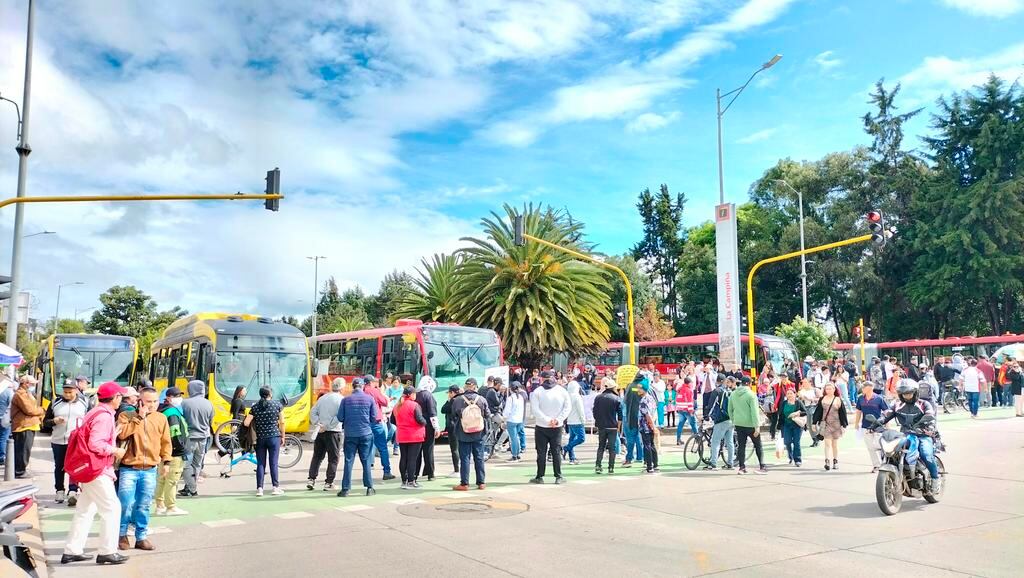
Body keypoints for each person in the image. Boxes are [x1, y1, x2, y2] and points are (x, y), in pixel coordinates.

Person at [60, 382, 130, 566]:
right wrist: (115, 450)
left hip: (88, 468)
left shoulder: (95, 412)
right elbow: (95, 444)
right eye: (120, 396)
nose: (121, 399)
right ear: (115, 398)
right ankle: (107, 552)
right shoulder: (105, 417)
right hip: (97, 469)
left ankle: (72, 550)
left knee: (86, 510)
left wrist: (115, 432)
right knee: (112, 508)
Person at [116, 387, 171, 551]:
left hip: (150, 469)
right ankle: (121, 535)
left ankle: (141, 537)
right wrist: (139, 417)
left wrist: (166, 462)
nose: (152, 405)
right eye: (148, 401)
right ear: (140, 401)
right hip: (129, 468)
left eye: (155, 401)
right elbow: (122, 434)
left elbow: (166, 442)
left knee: (144, 505)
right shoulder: (126, 416)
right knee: (125, 504)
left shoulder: (161, 418)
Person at [881, 380, 942, 493]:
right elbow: (886, 415)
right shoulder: (897, 404)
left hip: (923, 434)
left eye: (909, 393)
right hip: (905, 434)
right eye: (904, 394)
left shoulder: (924, 404)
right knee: (892, 452)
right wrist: (877, 422)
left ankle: (935, 479)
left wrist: (927, 426)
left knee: (926, 454)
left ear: (915, 392)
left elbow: (930, 415)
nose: (907, 396)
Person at [44, 380, 90, 505]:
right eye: (65, 392)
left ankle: (73, 491)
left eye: (70, 392)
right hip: (58, 440)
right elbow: (45, 422)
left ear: (76, 390)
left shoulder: (85, 403)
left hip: (76, 441)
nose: (67, 394)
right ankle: (59, 490)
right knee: (59, 466)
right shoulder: (55, 403)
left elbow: (89, 421)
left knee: (75, 466)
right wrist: (54, 421)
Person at [336, 378, 378, 497]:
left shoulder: (346, 400)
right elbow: (374, 417)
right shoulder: (369, 399)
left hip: (350, 434)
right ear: (362, 386)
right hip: (365, 433)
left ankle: (345, 489)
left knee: (349, 461)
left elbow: (340, 417)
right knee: (366, 461)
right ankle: (369, 488)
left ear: (352, 386)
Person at [529, 371, 570, 484]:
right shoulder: (562, 391)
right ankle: (558, 476)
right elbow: (567, 408)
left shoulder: (537, 391)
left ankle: (539, 476)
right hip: (557, 427)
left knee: (541, 452)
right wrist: (557, 420)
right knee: (556, 451)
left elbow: (535, 410)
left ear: (542, 379)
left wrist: (547, 420)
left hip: (541, 426)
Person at [154, 387, 189, 516]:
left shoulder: (162, 410)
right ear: (168, 397)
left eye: (180, 395)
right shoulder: (172, 413)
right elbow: (175, 434)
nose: (179, 398)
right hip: (174, 453)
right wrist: (180, 448)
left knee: (162, 479)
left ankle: (160, 505)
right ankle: (171, 507)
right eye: (176, 396)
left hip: (163, 451)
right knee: (172, 480)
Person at [452, 378, 490, 490]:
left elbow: (454, 415)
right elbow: (487, 414)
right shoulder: (482, 399)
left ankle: (464, 484)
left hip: (463, 432)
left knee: (465, 458)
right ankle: (481, 482)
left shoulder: (458, 400)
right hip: (479, 432)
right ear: (475, 387)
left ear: (465, 386)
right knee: (479, 457)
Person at [307, 378, 344, 491]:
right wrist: (327, 426)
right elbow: (339, 417)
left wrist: (319, 424)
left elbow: (312, 412)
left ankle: (311, 479)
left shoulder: (323, 398)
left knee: (317, 456)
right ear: (341, 388)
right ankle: (328, 482)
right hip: (334, 432)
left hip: (320, 431)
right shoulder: (341, 400)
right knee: (333, 458)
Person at [180, 380, 213, 498]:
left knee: (186, 464)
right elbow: (210, 421)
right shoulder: (209, 403)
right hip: (204, 437)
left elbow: (181, 420)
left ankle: (192, 488)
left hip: (189, 437)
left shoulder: (185, 403)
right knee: (197, 464)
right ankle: (189, 487)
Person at [249, 386, 285, 497]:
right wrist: (283, 436)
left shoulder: (255, 407)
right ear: (270, 394)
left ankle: (259, 489)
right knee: (273, 462)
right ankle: (275, 487)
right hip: (274, 437)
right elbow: (282, 422)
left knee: (261, 463)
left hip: (260, 438)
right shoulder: (277, 405)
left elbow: (246, 423)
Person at [728, 375, 766, 475]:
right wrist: (757, 426)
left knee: (741, 446)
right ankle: (762, 465)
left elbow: (730, 409)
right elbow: (754, 412)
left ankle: (742, 467)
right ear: (749, 383)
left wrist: (734, 420)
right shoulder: (751, 395)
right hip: (750, 424)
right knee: (758, 445)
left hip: (739, 423)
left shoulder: (733, 394)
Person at [11, 374, 45, 478]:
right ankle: (20, 471)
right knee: (23, 450)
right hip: (24, 425)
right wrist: (42, 410)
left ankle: (21, 469)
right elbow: (30, 410)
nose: (33, 386)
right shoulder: (21, 394)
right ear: (26, 384)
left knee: (25, 449)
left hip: (27, 425)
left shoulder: (25, 393)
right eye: (32, 384)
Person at [363, 375, 395, 481]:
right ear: (371, 382)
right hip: (376, 422)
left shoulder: (362, 391)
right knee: (382, 448)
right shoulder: (374, 391)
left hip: (365, 424)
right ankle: (386, 471)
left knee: (367, 448)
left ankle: (367, 473)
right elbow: (385, 402)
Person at [395, 385, 426, 489]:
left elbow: (392, 420)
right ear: (411, 394)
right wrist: (425, 422)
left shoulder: (398, 405)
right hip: (414, 435)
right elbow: (420, 420)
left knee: (403, 458)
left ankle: (404, 481)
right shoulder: (414, 405)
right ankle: (411, 481)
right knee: (412, 459)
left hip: (402, 435)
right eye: (414, 393)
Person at [812, 381, 848, 471]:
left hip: (836, 424)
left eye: (830, 388)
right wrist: (814, 422)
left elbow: (843, 413)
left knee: (834, 444)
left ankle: (835, 461)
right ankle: (827, 461)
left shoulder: (838, 399)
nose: (828, 390)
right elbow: (818, 412)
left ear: (834, 389)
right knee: (827, 443)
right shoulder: (822, 399)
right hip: (826, 423)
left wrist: (844, 425)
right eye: (827, 389)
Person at [854, 382, 889, 472]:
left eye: (864, 387)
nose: (862, 389)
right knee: (870, 447)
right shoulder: (861, 398)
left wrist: (887, 426)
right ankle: (876, 465)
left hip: (878, 426)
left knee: (878, 445)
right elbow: (858, 411)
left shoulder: (879, 398)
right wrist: (856, 423)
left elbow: (886, 412)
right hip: (866, 426)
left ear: (870, 388)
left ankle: (884, 462)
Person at [592, 379, 621, 474]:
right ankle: (611, 467)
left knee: (601, 446)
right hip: (612, 426)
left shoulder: (598, 397)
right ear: (613, 388)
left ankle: (598, 465)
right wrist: (619, 427)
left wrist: (598, 421)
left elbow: (594, 412)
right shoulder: (616, 398)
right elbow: (620, 416)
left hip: (601, 426)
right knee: (612, 448)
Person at [706, 376, 735, 470]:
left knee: (715, 442)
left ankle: (713, 463)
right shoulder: (730, 392)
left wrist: (706, 415)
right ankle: (730, 463)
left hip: (720, 419)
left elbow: (711, 405)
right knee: (729, 442)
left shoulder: (717, 391)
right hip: (731, 419)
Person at [414, 376, 440, 480]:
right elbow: (432, 414)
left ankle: (415, 472)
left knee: (417, 451)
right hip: (428, 427)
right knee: (428, 450)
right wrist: (437, 427)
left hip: (416, 426)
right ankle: (430, 473)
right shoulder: (429, 396)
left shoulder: (415, 395)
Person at [779, 389, 807, 466]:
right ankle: (790, 456)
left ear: (795, 394)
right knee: (787, 442)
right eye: (788, 394)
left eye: (791, 393)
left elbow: (805, 412)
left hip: (797, 425)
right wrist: (779, 425)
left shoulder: (798, 402)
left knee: (796, 442)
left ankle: (797, 459)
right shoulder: (784, 403)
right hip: (786, 425)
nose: (789, 395)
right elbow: (780, 414)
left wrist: (796, 413)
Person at [621, 375, 644, 467]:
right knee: (639, 437)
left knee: (630, 438)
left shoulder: (630, 386)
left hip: (629, 416)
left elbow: (625, 403)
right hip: (641, 416)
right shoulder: (644, 388)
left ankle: (629, 458)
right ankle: (641, 457)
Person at [440, 384, 462, 476]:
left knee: (454, 449)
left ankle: (457, 470)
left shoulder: (453, 401)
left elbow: (443, 409)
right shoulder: (462, 399)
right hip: (461, 427)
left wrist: (448, 401)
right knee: (461, 449)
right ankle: (462, 469)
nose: (448, 395)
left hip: (453, 427)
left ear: (452, 393)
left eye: (449, 393)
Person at [502, 381, 527, 462]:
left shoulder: (510, 398)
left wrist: (504, 418)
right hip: (520, 420)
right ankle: (518, 453)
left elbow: (507, 412)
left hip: (512, 420)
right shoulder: (521, 397)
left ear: (510, 389)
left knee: (513, 438)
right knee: (517, 437)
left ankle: (514, 455)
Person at [638, 381, 660, 473]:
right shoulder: (651, 399)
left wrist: (652, 426)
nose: (638, 390)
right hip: (651, 424)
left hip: (645, 425)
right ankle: (655, 465)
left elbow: (647, 415)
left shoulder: (644, 400)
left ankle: (649, 466)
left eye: (640, 388)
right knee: (652, 445)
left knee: (647, 445)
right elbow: (654, 412)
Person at [564, 379, 586, 465]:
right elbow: (581, 410)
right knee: (581, 438)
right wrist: (583, 419)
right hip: (577, 421)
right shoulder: (577, 397)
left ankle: (572, 458)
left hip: (570, 421)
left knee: (571, 439)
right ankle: (565, 448)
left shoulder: (567, 396)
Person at [675, 376, 697, 443]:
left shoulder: (680, 389)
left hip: (680, 409)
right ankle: (697, 438)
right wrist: (691, 411)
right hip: (687, 410)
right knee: (693, 424)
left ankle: (678, 439)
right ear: (689, 383)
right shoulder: (689, 390)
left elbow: (677, 399)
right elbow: (690, 402)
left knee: (680, 425)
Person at [0, 375, 14, 467]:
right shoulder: (8, 392)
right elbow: (12, 405)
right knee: (3, 438)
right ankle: (1, 457)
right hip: (4, 419)